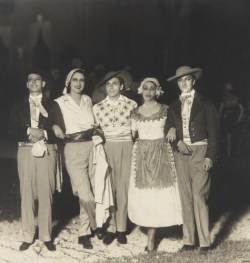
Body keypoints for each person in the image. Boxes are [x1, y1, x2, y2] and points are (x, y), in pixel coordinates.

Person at [166, 66, 219, 254]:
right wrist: (177, 141)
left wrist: (210, 157)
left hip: (200, 151)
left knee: (199, 195)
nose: (184, 83)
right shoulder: (173, 105)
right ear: (177, 84)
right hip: (181, 154)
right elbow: (168, 129)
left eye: (187, 79)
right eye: (180, 81)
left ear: (193, 81)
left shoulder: (206, 103)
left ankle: (205, 242)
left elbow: (214, 133)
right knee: (185, 197)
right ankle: (188, 240)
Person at [52, 68, 107, 250]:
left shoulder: (88, 100)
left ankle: (84, 233)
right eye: (74, 79)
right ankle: (96, 225)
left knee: (94, 189)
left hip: (91, 146)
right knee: (85, 195)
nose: (78, 83)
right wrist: (55, 127)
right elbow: (52, 120)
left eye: (81, 80)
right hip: (72, 148)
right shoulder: (59, 102)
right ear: (68, 82)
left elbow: (94, 122)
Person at [128, 77, 182, 253]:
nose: (149, 92)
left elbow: (176, 125)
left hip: (162, 154)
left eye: (152, 88)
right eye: (146, 88)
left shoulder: (166, 109)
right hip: (142, 156)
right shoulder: (135, 112)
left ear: (158, 91)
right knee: (147, 196)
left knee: (161, 194)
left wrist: (173, 129)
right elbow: (131, 135)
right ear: (141, 91)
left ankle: (155, 236)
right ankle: (151, 237)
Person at [8, 69, 57, 251]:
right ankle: (28, 236)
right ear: (27, 84)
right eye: (30, 80)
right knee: (26, 193)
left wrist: (43, 133)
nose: (34, 82)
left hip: (46, 151)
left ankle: (46, 236)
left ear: (43, 83)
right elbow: (10, 130)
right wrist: (28, 130)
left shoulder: (52, 105)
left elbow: (60, 131)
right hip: (26, 151)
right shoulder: (18, 105)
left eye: (38, 79)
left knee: (46, 193)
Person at [93, 70, 137, 245]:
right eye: (108, 84)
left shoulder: (132, 104)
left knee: (124, 188)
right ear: (105, 87)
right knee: (109, 188)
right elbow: (95, 129)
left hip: (126, 146)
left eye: (115, 84)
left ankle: (122, 228)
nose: (111, 87)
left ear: (122, 86)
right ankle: (111, 226)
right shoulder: (97, 107)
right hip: (106, 147)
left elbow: (135, 131)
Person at [218, 81, 244, 159]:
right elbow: (242, 109)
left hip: (226, 120)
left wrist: (217, 120)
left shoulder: (224, 98)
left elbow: (220, 111)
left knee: (224, 138)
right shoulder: (236, 98)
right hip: (232, 120)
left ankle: (226, 155)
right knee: (228, 138)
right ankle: (228, 156)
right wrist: (239, 118)